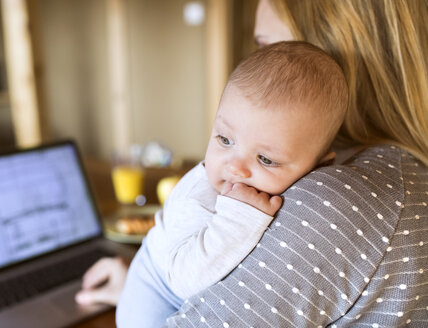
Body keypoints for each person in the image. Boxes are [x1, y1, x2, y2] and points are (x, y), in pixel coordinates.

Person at [76, 0, 428, 326]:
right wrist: (148, 280)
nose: (237, 167)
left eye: (267, 47)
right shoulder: (399, 172)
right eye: (225, 139)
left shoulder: (334, 203)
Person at [116, 41, 348, 328]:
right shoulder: (200, 197)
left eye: (265, 159)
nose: (235, 166)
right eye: (225, 140)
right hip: (155, 290)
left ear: (320, 166)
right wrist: (238, 220)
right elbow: (185, 282)